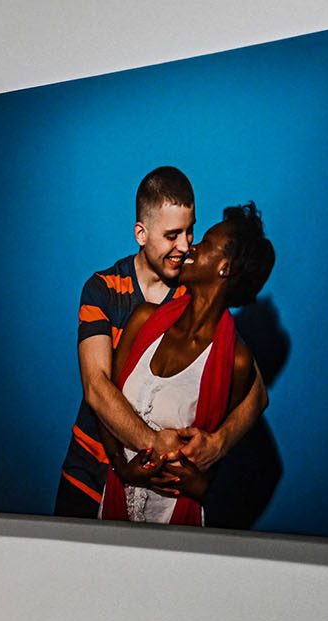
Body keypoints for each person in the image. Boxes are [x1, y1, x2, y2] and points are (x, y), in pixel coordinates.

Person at [53, 167, 268, 515]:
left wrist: (218, 443)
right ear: (141, 233)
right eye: (172, 235)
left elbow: (257, 392)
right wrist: (153, 448)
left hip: (157, 497)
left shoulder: (192, 295)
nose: (184, 246)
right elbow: (97, 387)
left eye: (190, 231)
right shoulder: (103, 289)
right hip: (88, 472)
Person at [98, 203, 276, 525]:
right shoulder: (144, 319)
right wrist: (122, 466)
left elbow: (205, 475)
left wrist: (185, 472)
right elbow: (105, 399)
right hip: (113, 502)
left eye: (205, 244)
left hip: (172, 522)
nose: (190, 247)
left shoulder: (234, 360)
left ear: (225, 268)